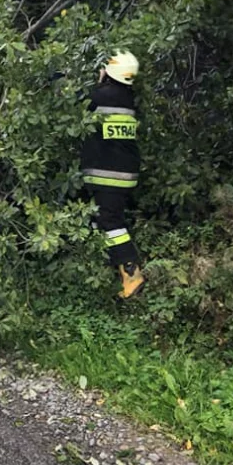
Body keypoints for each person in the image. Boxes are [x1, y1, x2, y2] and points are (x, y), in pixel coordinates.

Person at [80, 51, 145, 299]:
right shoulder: (129, 98)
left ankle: (132, 272)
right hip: (126, 171)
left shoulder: (100, 96)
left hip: (108, 174)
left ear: (108, 72)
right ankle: (115, 275)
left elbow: (72, 102)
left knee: (110, 222)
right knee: (103, 221)